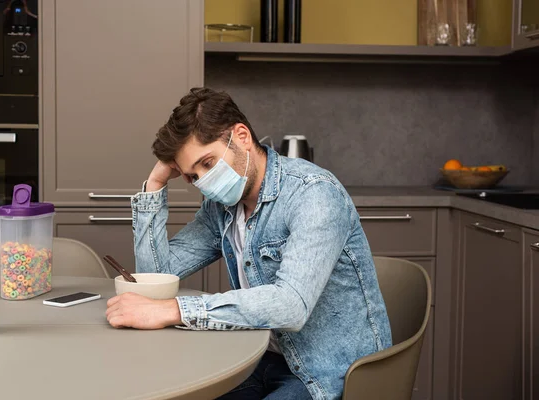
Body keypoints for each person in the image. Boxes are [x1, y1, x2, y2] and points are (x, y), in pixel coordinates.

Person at [105, 87, 392, 400]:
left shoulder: (314, 194)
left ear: (241, 136)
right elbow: (155, 276)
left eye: (208, 163)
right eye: (191, 175)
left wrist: (173, 310)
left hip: (327, 372)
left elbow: (290, 305)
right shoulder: (222, 207)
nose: (203, 181)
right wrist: (155, 185)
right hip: (260, 359)